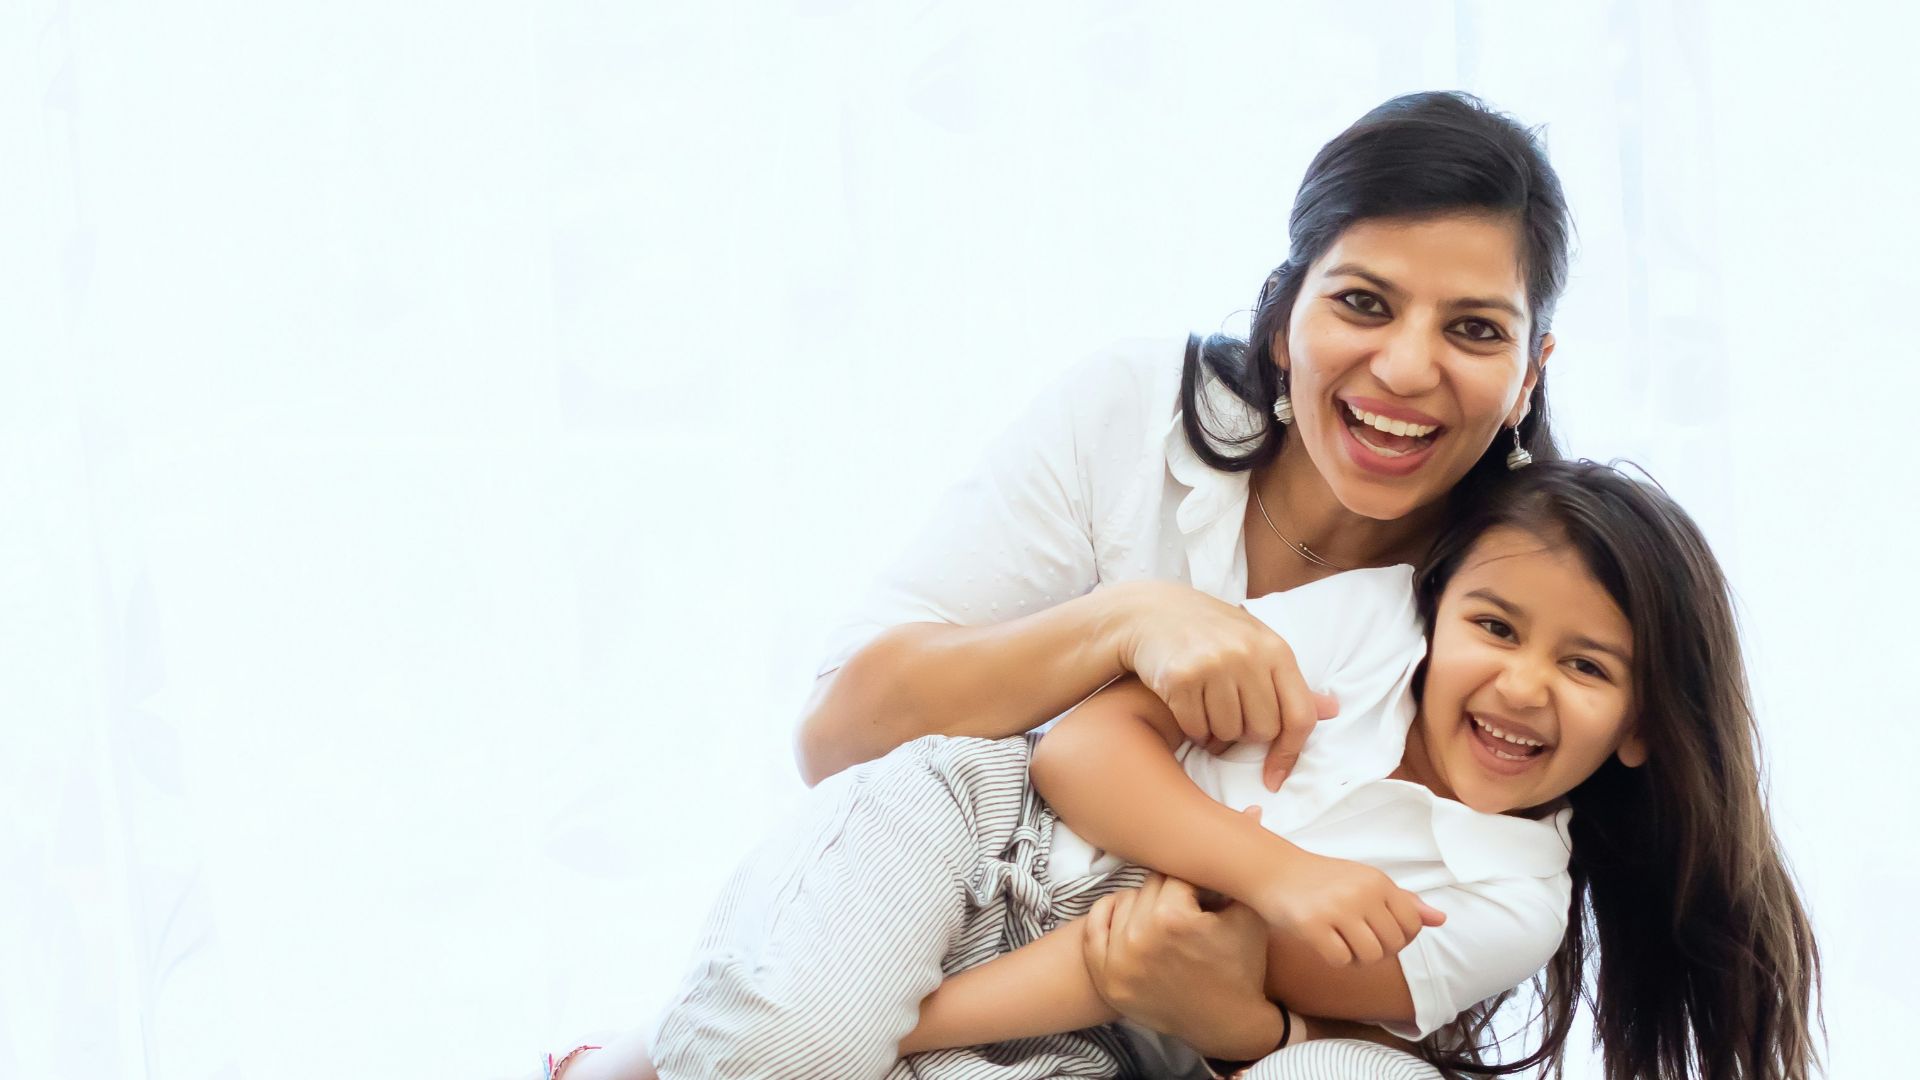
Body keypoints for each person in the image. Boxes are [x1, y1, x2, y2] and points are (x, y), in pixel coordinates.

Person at [558, 462, 1820, 1080]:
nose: (1524, 683)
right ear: (1442, 614)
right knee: (790, 1047)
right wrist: (1276, 870)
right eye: (1495, 627)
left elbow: (1153, 959)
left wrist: (905, 1032)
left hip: (1091, 1016)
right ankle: (654, 1052)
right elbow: (1078, 752)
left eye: (1588, 668)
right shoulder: (1373, 623)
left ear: (1643, 728)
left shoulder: (1510, 902)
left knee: (850, 1050)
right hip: (969, 830)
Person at [794, 87, 1575, 1056]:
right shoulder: (1133, 416)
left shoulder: (1535, 607)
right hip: (929, 898)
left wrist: (1243, 1022)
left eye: (1475, 330)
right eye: (1363, 303)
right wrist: (1125, 622)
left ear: (1529, 372)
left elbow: (1413, 990)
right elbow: (837, 742)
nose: (1408, 369)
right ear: (1284, 315)